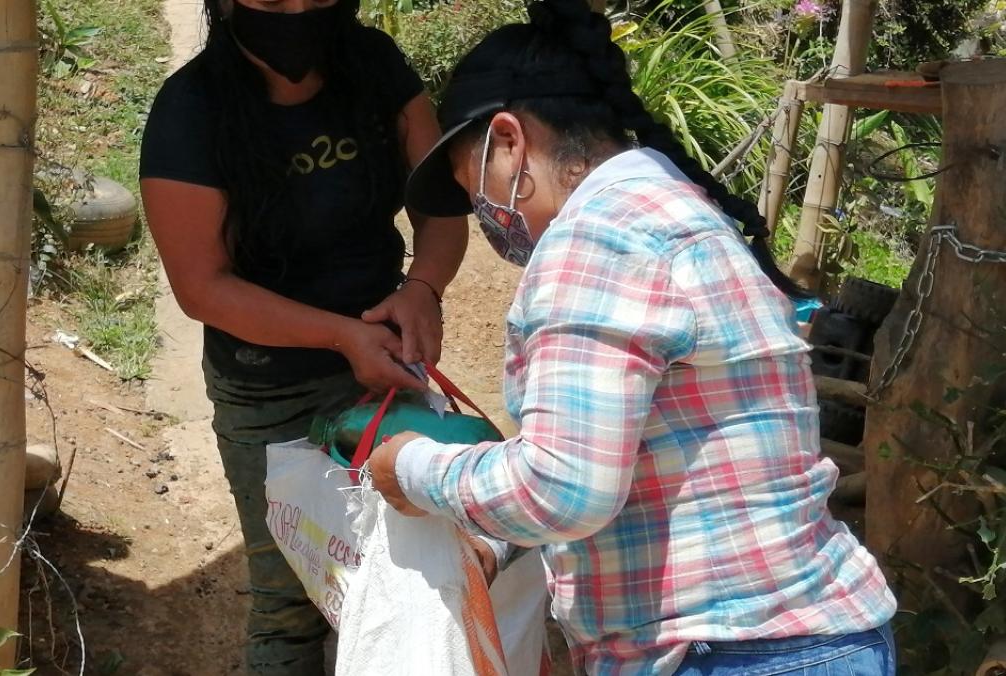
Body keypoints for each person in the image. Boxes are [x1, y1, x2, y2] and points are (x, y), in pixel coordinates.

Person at [367, 1, 899, 674]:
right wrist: (498, 542)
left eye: (477, 188)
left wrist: (411, 467)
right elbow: (648, 459)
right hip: (793, 638)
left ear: (509, 141)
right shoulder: (668, 210)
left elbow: (560, 490)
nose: (483, 216)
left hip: (731, 652)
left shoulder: (597, 237)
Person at [138, 0, 468, 672]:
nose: (295, 11)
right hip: (268, 389)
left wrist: (423, 289)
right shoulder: (190, 110)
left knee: (416, 573)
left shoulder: (376, 67)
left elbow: (440, 201)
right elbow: (201, 286)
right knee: (289, 607)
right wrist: (342, 336)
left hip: (386, 367)